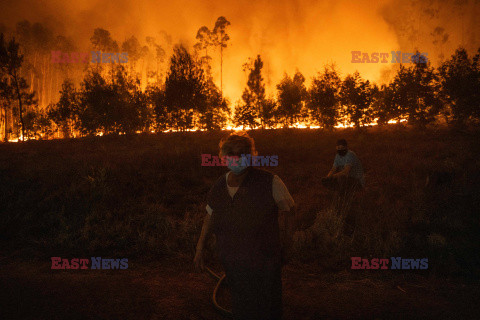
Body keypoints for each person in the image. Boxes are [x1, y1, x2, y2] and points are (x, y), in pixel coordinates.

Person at [194, 131, 295, 320]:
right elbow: (210, 216)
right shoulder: (219, 185)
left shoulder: (270, 181)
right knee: (241, 303)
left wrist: (287, 245)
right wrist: (200, 248)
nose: (236, 158)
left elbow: (289, 210)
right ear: (223, 157)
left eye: (242, 153)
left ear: (251, 156)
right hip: (232, 260)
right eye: (231, 153)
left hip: (264, 260)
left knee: (267, 305)